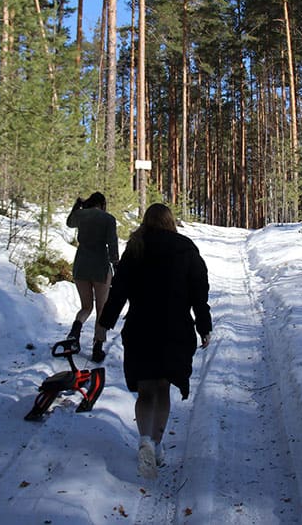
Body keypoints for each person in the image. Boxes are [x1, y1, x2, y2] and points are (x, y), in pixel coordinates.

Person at [100, 203, 212, 479]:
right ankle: (157, 445)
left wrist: (104, 324)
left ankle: (145, 442)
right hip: (175, 329)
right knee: (163, 389)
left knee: (145, 389)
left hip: (140, 328)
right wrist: (204, 327)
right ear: (170, 221)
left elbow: (119, 290)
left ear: (147, 221)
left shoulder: (136, 247)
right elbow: (199, 291)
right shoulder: (186, 248)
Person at [66, 192, 119, 363]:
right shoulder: (108, 219)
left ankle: (74, 333)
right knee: (101, 309)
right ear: (103, 204)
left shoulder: (80, 215)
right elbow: (112, 244)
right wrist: (116, 265)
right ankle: (98, 347)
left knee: (85, 307)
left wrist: (77, 206)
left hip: (81, 264)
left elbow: (69, 223)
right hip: (100, 266)